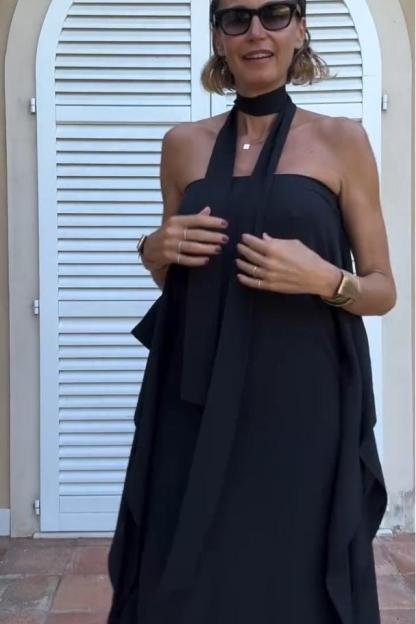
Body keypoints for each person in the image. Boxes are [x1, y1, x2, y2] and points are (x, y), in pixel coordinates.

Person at [107, 1, 397, 623]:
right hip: (193, 399)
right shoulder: (182, 146)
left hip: (302, 406)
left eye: (274, 14)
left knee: (290, 572)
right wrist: (151, 249)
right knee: (182, 568)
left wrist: (323, 277)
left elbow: (382, 289)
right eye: (236, 18)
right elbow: (174, 271)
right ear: (218, 38)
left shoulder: (341, 141)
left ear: (301, 29)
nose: (256, 32)